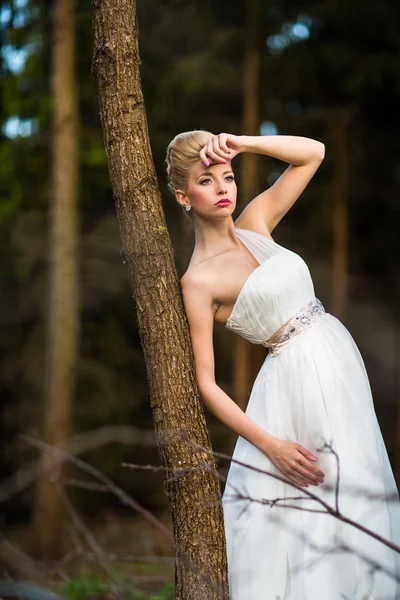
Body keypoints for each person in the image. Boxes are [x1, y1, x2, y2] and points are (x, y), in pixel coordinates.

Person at [165, 130, 400, 599]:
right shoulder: (198, 282)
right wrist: (270, 446)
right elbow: (206, 385)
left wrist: (243, 143)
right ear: (182, 197)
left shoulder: (256, 223)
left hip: (337, 367)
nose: (223, 188)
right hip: (292, 387)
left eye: (227, 177)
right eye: (206, 181)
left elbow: (314, 154)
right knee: (306, 509)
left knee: (354, 490)